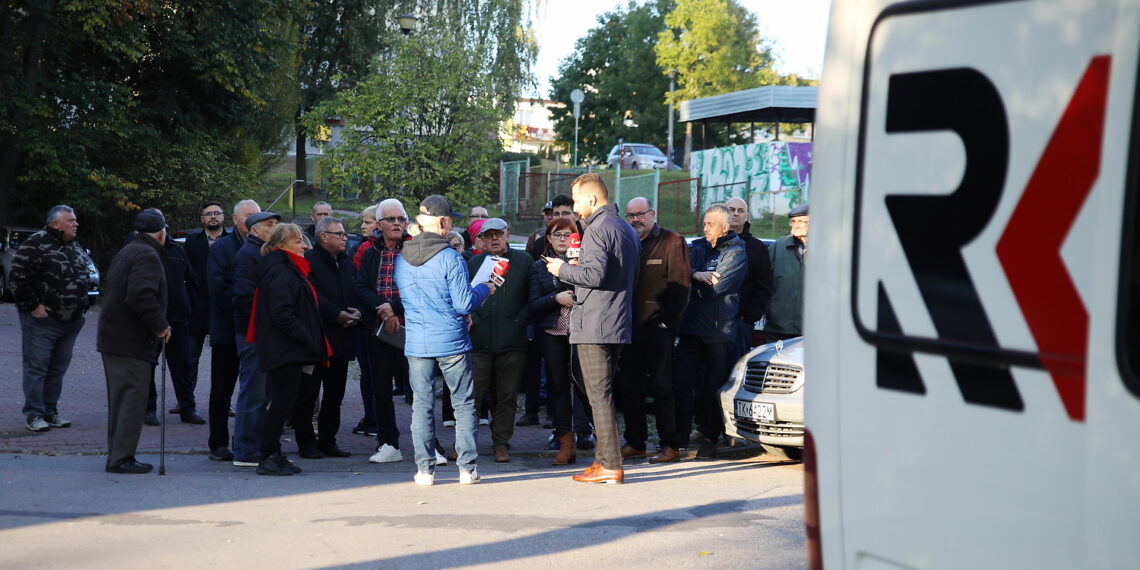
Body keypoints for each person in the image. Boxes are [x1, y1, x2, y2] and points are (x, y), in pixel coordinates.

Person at [543, 173, 639, 484]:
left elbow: (595, 275)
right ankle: (606, 461)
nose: (574, 207)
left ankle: (609, 464)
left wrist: (562, 269)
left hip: (596, 323)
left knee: (599, 395)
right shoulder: (624, 227)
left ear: (593, 200)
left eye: (577, 201)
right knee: (603, 394)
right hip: (616, 320)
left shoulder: (597, 228)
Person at [396, 194, 495, 485]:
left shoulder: (402, 259)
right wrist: (486, 289)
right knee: (463, 404)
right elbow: (464, 304)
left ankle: (424, 469)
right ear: (441, 222)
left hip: (417, 341)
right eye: (450, 219)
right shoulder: (451, 257)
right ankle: (467, 468)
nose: (452, 224)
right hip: (451, 341)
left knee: (422, 405)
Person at [247, 223, 328, 476]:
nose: (304, 246)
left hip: (288, 349)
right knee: (281, 406)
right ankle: (268, 456)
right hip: (286, 350)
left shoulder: (285, 268)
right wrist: (307, 338)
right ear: (282, 246)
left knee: (284, 404)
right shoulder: (281, 271)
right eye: (298, 242)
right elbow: (283, 313)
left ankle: (274, 454)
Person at [615, 196, 691, 464]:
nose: (635, 219)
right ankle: (635, 442)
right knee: (630, 387)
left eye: (640, 214)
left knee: (662, 387)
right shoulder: (626, 242)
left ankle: (669, 445)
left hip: (659, 329)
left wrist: (668, 324)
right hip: (629, 327)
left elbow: (680, 286)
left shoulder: (672, 241)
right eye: (630, 215)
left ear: (653, 213)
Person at [97, 209, 171, 474]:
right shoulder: (147, 254)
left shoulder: (129, 249)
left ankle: (117, 454)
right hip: (130, 340)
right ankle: (121, 458)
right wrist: (160, 325)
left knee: (121, 399)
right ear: (162, 234)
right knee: (132, 399)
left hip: (115, 338)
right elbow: (140, 295)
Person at [675, 204, 747, 460]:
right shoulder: (697, 247)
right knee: (681, 383)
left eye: (710, 224)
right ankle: (678, 439)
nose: (705, 228)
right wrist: (695, 275)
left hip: (718, 331)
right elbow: (680, 277)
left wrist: (694, 282)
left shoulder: (736, 251)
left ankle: (709, 438)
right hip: (690, 328)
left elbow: (715, 289)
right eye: (704, 223)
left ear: (724, 227)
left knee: (712, 387)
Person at [9, 205, 90, 432]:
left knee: (57, 368)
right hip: (44, 321)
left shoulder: (74, 246)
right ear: (55, 223)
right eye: (71, 220)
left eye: (75, 220)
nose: (76, 224)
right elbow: (17, 278)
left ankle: (50, 411)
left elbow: (84, 275)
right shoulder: (36, 244)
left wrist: (84, 305)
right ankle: (34, 414)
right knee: (37, 367)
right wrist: (33, 307)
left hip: (71, 321)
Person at [294, 216, 361, 459]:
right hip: (316, 339)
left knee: (335, 394)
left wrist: (357, 311)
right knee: (308, 394)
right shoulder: (310, 261)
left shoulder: (346, 262)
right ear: (324, 237)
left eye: (344, 234)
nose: (345, 238)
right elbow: (312, 295)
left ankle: (328, 440)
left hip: (341, 340)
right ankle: (306, 442)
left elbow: (356, 289)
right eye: (339, 234)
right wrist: (337, 315)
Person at [468, 217, 532, 463]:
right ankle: (466, 443)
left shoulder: (524, 262)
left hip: (512, 341)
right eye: (489, 234)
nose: (494, 238)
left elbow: (532, 296)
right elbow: (463, 295)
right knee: (472, 395)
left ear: (508, 235)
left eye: (499, 233)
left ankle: (501, 443)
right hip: (479, 340)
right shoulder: (473, 263)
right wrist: (472, 316)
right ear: (481, 239)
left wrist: (520, 321)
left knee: (507, 395)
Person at [205, 199, 259, 462]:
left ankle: (248, 439)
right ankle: (217, 443)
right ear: (236, 219)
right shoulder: (222, 248)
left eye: (257, 216)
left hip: (255, 330)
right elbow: (218, 289)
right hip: (228, 329)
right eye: (249, 216)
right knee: (222, 389)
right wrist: (244, 307)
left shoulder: (263, 248)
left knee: (253, 388)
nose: (254, 221)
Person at [356, 198, 409, 464]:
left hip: (412, 329)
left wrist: (394, 307)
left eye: (401, 219)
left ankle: (430, 444)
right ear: (379, 224)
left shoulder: (414, 250)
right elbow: (361, 288)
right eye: (391, 219)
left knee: (417, 390)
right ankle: (388, 443)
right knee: (380, 389)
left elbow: (421, 288)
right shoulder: (369, 252)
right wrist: (383, 309)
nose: (397, 223)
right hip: (378, 330)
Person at [230, 210, 282, 467]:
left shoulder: (262, 253)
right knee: (253, 392)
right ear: (254, 231)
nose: (274, 229)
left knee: (260, 392)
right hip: (253, 334)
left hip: (261, 332)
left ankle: (251, 445)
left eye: (275, 225)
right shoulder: (248, 256)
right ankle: (245, 450)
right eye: (269, 225)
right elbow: (243, 297)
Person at [528, 217, 581, 465]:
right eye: (557, 235)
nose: (562, 239)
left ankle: (591, 434)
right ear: (548, 238)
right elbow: (532, 305)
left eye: (567, 235)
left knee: (586, 388)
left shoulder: (585, 263)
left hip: (582, 334)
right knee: (558, 388)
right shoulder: (539, 267)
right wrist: (555, 299)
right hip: (552, 334)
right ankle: (565, 442)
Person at [143, 217, 203, 426]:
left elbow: (191, 279)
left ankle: (187, 407)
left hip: (179, 319)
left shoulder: (177, 250)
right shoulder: (142, 251)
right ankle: (148, 409)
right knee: (148, 366)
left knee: (183, 366)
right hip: (152, 322)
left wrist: (190, 305)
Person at [184, 201, 230, 420]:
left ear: (223, 217)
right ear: (202, 218)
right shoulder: (191, 242)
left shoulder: (232, 241)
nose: (213, 217)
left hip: (225, 309)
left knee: (226, 361)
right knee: (190, 358)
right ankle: (186, 402)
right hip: (197, 309)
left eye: (217, 213)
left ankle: (225, 402)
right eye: (208, 214)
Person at [725, 197, 773, 357]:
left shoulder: (757, 248)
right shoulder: (711, 243)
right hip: (709, 322)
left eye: (740, 211)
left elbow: (764, 286)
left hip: (741, 323)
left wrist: (750, 316)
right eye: (731, 209)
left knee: (736, 372)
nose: (735, 214)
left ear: (746, 216)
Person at [349, 204, 378, 436]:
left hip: (374, 318)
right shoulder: (362, 248)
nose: (363, 226)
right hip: (368, 316)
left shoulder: (366, 250)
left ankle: (375, 418)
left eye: (367, 222)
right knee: (369, 371)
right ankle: (372, 416)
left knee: (373, 372)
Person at [765, 203, 808, 342]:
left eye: (801, 221)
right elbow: (762, 280)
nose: (795, 225)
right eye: (793, 221)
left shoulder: (827, 248)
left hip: (812, 328)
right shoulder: (778, 246)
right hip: (778, 328)